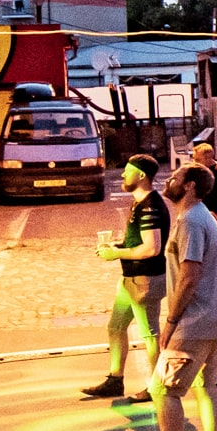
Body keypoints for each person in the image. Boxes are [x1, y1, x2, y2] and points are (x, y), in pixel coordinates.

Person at [130, 166, 217, 431]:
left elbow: (190, 276)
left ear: (189, 186)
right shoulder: (201, 216)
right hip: (215, 315)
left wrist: (171, 321)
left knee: (164, 390)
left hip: (195, 319)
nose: (168, 181)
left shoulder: (191, 221)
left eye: (175, 178)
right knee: (207, 384)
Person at [80, 154, 172, 404]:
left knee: (149, 334)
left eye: (128, 170)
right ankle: (114, 379)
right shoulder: (139, 203)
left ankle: (156, 386)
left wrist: (116, 253)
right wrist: (118, 246)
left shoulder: (151, 206)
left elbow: (152, 248)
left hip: (145, 279)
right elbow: (139, 242)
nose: (122, 174)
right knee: (116, 326)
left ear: (141, 176)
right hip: (131, 277)